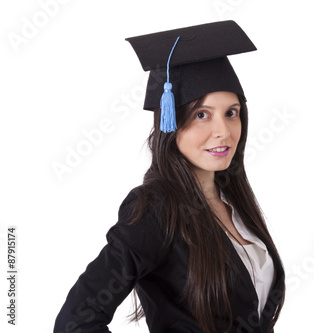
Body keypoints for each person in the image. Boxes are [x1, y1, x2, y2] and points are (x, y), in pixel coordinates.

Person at [53, 20, 285, 333]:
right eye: (202, 114)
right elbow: (75, 322)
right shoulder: (156, 209)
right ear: (170, 121)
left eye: (231, 112)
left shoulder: (234, 201)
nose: (223, 131)